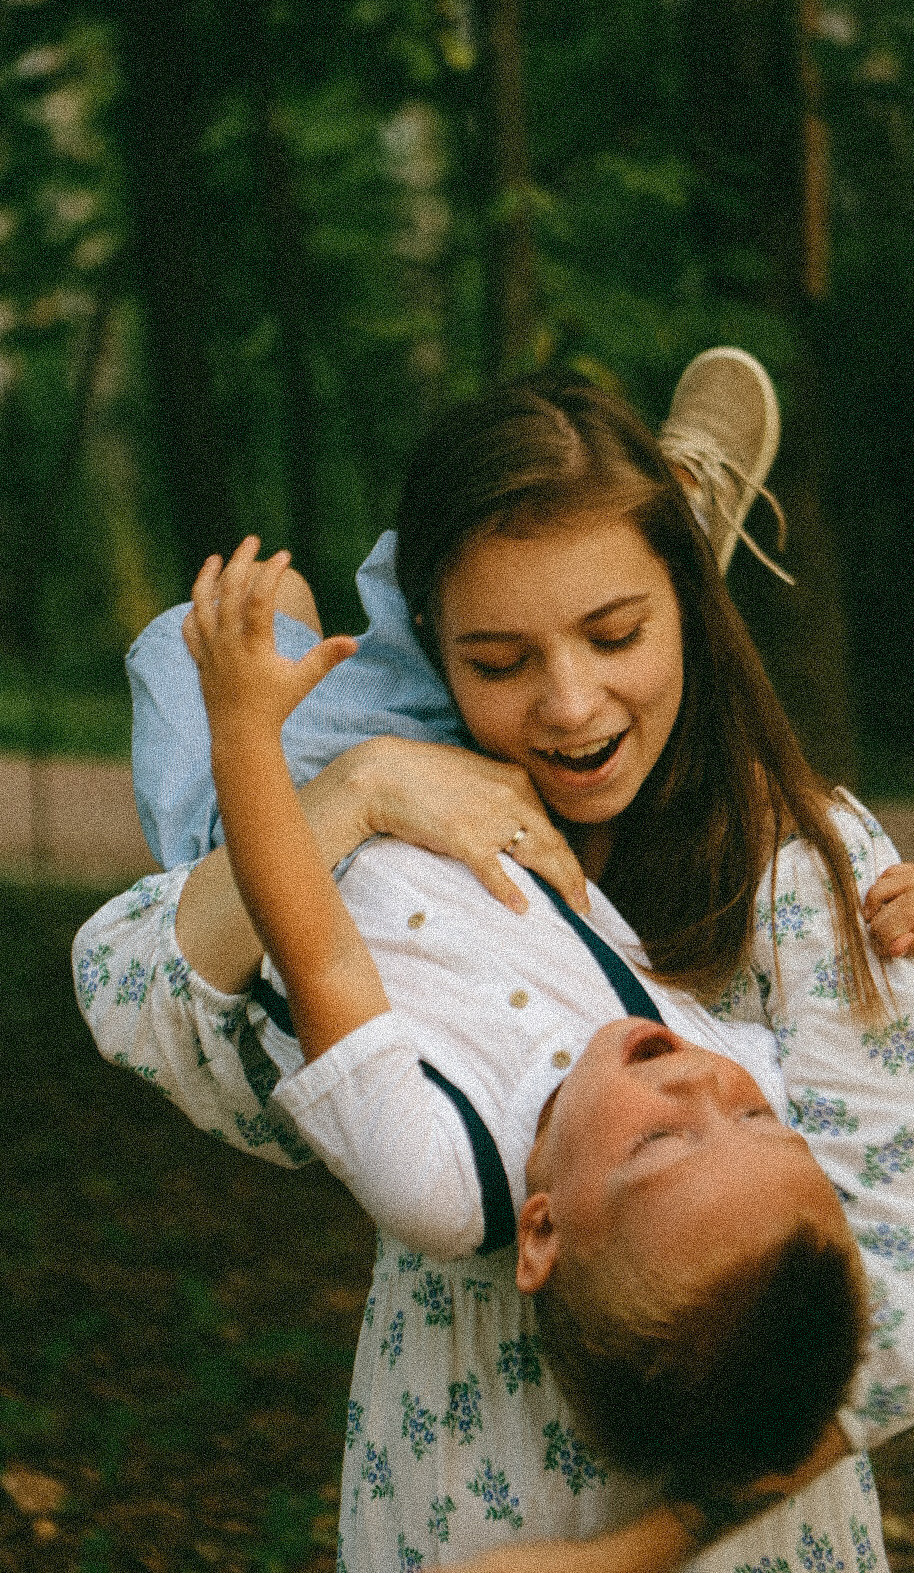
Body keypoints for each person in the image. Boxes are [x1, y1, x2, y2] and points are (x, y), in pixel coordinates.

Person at [74, 360, 914, 1571]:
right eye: (500, 661)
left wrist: (636, 1552)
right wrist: (362, 790)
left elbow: (907, 1297)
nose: (568, 706)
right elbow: (130, 987)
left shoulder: (799, 872)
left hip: (738, 1547)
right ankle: (639, 542)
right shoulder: (420, 817)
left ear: (688, 615)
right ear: (450, 657)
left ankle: (666, 528)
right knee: (337, 713)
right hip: (449, 1474)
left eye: (618, 633)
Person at [181, 534, 869, 1527]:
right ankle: (643, 543)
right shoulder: (726, 1062)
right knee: (483, 550)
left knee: (235, 610)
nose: (703, 1085)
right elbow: (879, 1100)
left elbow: (319, 954)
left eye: (660, 1142)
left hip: (269, 810)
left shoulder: (440, 1179)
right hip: (455, 784)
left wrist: (243, 731)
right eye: (762, 1121)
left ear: (542, 1231)